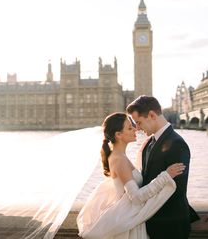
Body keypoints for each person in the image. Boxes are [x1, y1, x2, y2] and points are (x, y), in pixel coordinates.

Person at [77, 112, 185, 239]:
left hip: (128, 218)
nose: (135, 129)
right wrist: (165, 176)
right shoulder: (119, 160)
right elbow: (136, 197)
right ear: (118, 135)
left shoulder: (118, 156)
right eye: (130, 128)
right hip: (127, 226)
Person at [126, 95, 200, 239]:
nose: (137, 128)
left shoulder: (177, 144)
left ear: (152, 115)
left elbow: (175, 189)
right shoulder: (148, 143)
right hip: (151, 222)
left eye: (139, 122)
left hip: (170, 225)